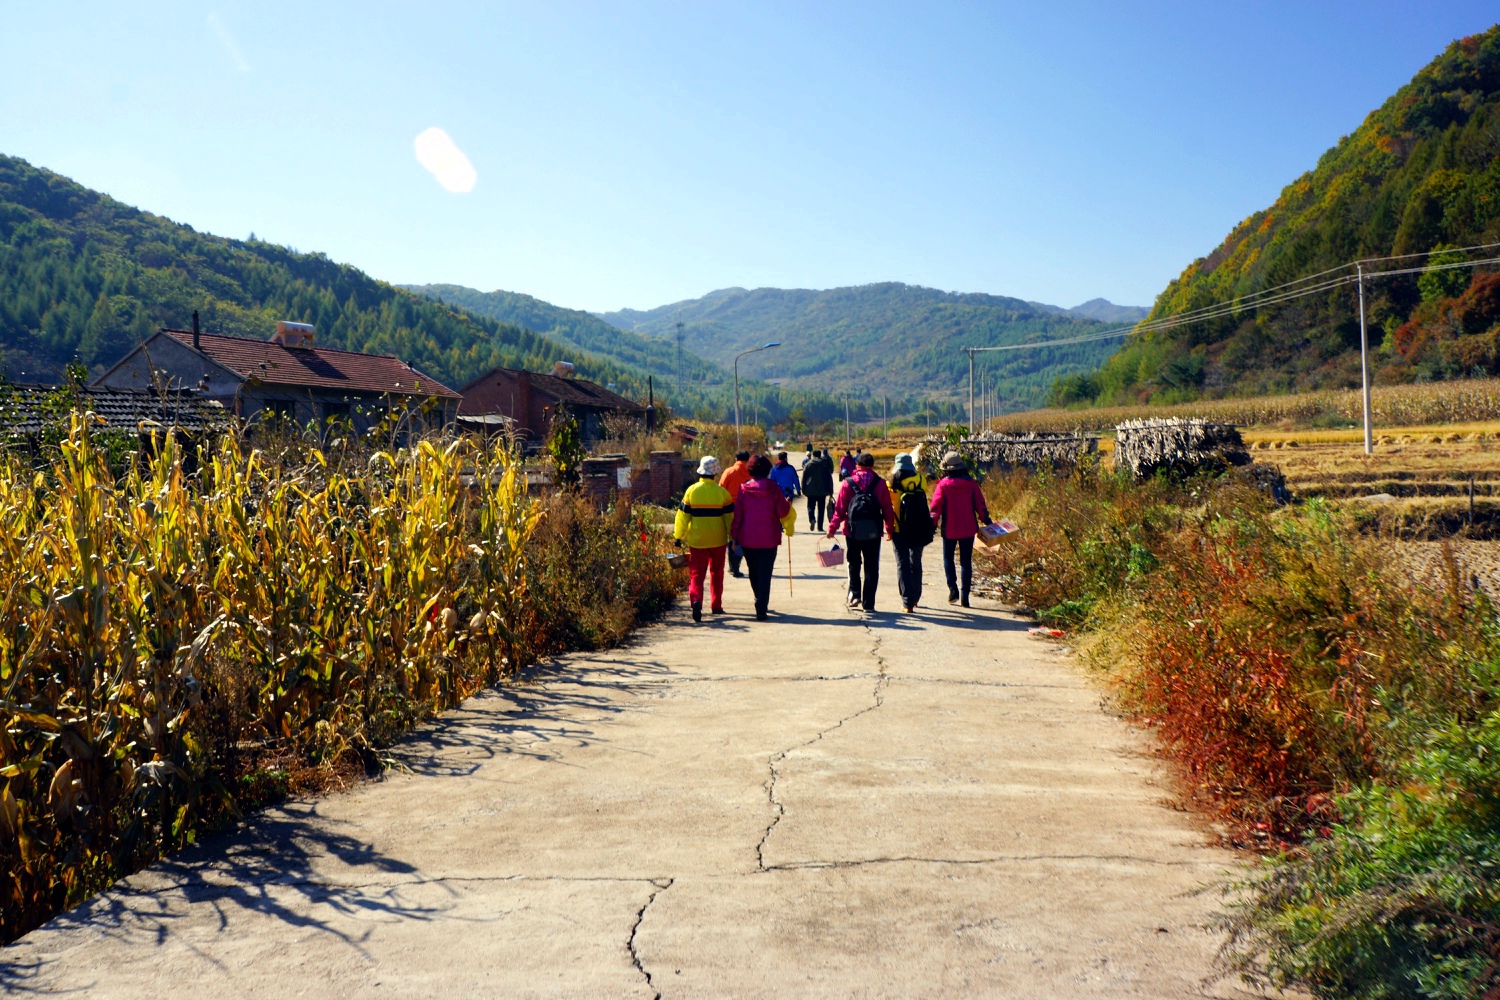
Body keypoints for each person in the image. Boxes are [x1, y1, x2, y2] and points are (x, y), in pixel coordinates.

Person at [827, 451, 896, 612]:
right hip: (874, 531)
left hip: (852, 531)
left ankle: (855, 594)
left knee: (854, 563)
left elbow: (840, 510)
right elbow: (887, 509)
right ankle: (869, 604)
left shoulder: (848, 483)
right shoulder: (880, 483)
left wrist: (832, 528)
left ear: (857, 465)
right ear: (872, 466)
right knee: (871, 566)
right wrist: (889, 529)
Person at [730, 454, 796, 621]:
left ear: (750, 469)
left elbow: (738, 515)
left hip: (748, 538)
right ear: (767, 469)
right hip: (769, 538)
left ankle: (758, 598)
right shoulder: (773, 488)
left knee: (753, 571)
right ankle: (762, 606)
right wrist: (788, 503)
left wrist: (734, 537)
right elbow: (782, 511)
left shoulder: (744, 489)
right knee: (766, 573)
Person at [673, 456, 735, 621]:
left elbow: (682, 517)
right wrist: (733, 538)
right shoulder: (723, 493)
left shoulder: (691, 491)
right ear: (715, 473)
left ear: (700, 471)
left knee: (696, 574)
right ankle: (716, 605)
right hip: (718, 541)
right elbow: (730, 519)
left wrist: (678, 536)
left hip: (697, 541)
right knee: (717, 573)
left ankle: (696, 600)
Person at [929, 451, 993, 608]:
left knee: (948, 559)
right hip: (968, 528)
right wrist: (987, 521)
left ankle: (953, 590)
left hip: (949, 528)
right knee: (966, 562)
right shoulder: (970, 483)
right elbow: (980, 504)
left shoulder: (943, 485)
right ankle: (965, 596)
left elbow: (935, 507)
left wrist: (932, 525)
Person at [888, 452, 934, 613]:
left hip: (899, 529)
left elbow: (889, 508)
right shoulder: (921, 480)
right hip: (919, 528)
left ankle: (906, 602)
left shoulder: (891, 484)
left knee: (903, 564)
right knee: (916, 562)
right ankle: (915, 598)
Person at [719, 450, 753, 578]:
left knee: (732, 537)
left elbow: (721, 489)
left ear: (735, 458)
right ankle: (739, 565)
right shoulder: (751, 472)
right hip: (747, 509)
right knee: (743, 537)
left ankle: (733, 566)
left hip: (730, 508)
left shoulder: (729, 472)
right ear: (748, 459)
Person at [801, 449, 834, 531]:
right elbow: (829, 478)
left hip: (810, 490)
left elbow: (804, 478)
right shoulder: (824, 465)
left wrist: (803, 489)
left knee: (810, 507)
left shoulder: (808, 464)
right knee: (821, 509)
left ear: (812, 455)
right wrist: (830, 491)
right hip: (822, 490)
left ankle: (812, 519)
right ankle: (820, 526)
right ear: (820, 455)